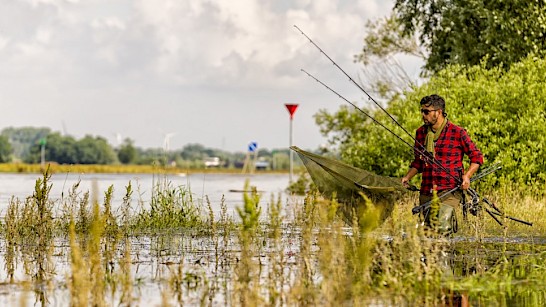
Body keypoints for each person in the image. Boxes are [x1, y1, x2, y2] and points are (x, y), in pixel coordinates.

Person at [401, 94, 483, 235]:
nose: (423, 115)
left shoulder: (458, 132)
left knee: (442, 228)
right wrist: (407, 177)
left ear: (438, 112)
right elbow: (419, 162)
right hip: (426, 190)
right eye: (422, 111)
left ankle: (446, 255)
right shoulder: (420, 133)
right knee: (426, 234)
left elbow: (476, 157)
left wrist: (467, 176)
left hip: (449, 190)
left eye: (426, 112)